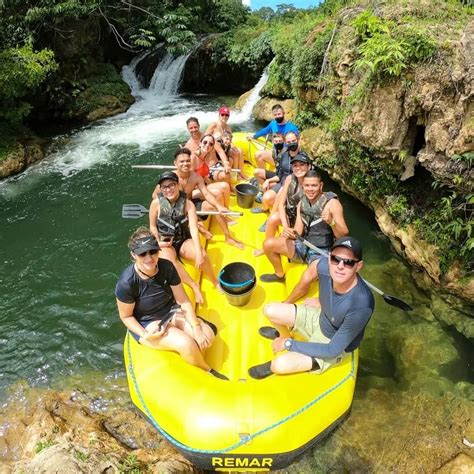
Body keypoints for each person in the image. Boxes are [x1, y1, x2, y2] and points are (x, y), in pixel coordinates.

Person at [248, 236, 374, 379]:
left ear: (358, 266)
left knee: (279, 365)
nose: (340, 266)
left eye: (349, 262)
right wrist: (321, 301)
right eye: (335, 259)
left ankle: (286, 341)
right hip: (320, 318)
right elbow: (309, 279)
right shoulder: (323, 267)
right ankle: (285, 334)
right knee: (270, 310)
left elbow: (332, 349)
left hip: (332, 343)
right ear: (328, 258)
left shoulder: (361, 304)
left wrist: (289, 344)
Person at [115, 227, 227, 380]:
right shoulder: (127, 283)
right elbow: (126, 316)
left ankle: (194, 352)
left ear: (158, 250)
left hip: (171, 311)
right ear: (133, 255)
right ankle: (208, 372)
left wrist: (196, 327)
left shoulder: (166, 267)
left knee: (207, 336)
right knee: (187, 344)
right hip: (148, 321)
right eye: (142, 253)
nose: (149, 258)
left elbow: (183, 300)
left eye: (153, 251)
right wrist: (146, 335)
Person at [260, 170, 349, 283]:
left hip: (321, 251)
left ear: (321, 185)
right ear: (303, 186)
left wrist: (331, 223)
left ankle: (287, 301)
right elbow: (298, 231)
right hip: (303, 246)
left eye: (314, 185)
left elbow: (344, 234)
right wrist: (290, 233)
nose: (310, 189)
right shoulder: (302, 203)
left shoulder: (332, 204)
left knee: (305, 279)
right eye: (307, 185)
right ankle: (279, 275)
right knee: (268, 244)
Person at [152, 148, 244, 249]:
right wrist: (168, 207)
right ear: (175, 163)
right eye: (181, 161)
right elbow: (155, 195)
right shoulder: (169, 179)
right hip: (175, 210)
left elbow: (206, 193)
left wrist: (219, 206)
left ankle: (228, 237)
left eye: (187, 161)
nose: (185, 164)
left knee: (214, 205)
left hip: (190, 205)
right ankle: (199, 227)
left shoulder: (195, 177)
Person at [149, 171, 222, 297]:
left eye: (171, 185)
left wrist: (199, 253)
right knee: (169, 262)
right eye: (164, 187)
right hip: (165, 242)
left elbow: (193, 228)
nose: (168, 189)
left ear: (177, 185)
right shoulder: (156, 204)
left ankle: (215, 282)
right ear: (161, 189)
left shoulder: (188, 204)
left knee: (203, 256)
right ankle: (193, 285)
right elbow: (152, 226)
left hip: (183, 240)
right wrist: (157, 242)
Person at [254, 153, 311, 257]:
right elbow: (281, 203)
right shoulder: (290, 179)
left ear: (309, 166)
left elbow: (303, 216)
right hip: (291, 217)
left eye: (302, 165)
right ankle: (266, 248)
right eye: (295, 165)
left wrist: (290, 230)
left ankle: (275, 246)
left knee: (284, 237)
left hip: (302, 224)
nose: (298, 168)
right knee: (273, 218)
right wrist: (285, 225)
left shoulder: (310, 186)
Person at [251, 132, 304, 215]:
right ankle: (265, 208)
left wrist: (286, 187)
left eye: (293, 141)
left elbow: (304, 178)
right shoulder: (284, 156)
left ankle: (272, 217)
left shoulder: (303, 158)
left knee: (281, 193)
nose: (291, 144)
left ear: (298, 140)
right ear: (286, 143)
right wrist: (268, 181)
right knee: (266, 197)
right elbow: (279, 175)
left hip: (294, 185)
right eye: (289, 142)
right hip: (282, 181)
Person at [247, 104, 299, 168]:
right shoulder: (273, 123)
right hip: (275, 153)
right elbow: (265, 131)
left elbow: (296, 145)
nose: (277, 116)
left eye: (279, 114)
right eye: (275, 115)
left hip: (287, 157)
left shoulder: (292, 128)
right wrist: (254, 136)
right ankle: (263, 175)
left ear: (283, 113)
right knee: (258, 154)